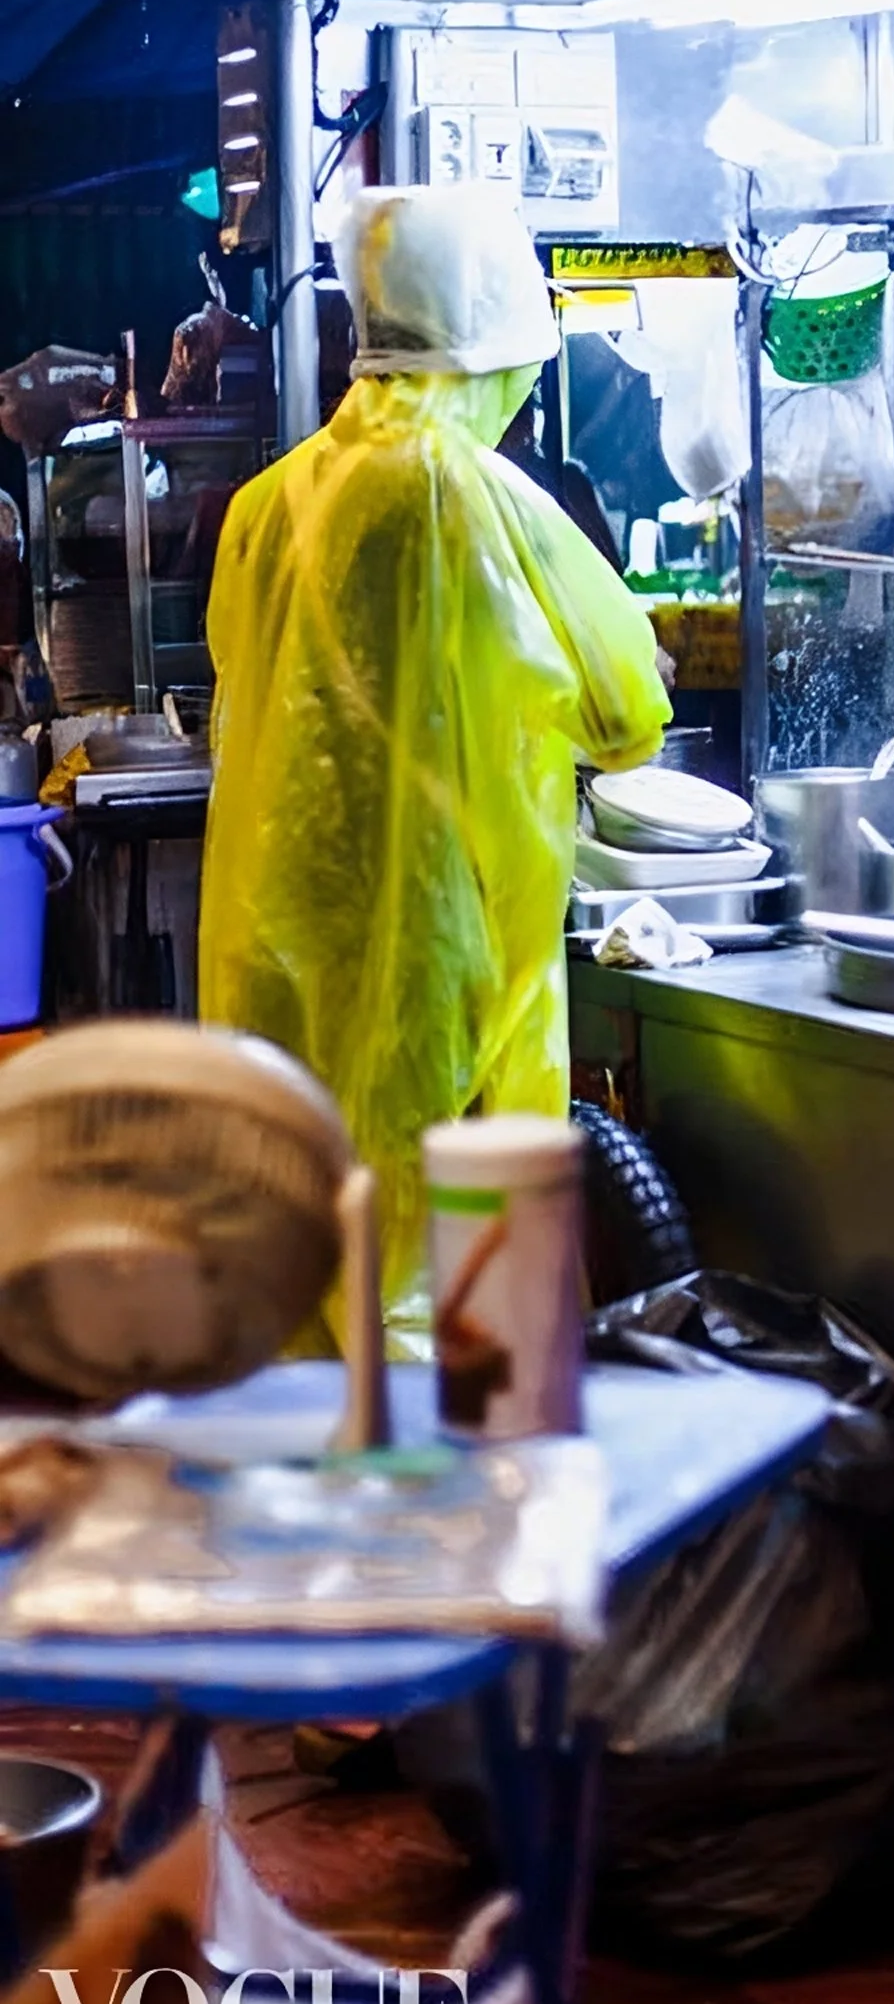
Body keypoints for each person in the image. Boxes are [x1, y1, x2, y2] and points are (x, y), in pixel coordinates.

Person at [198, 187, 670, 1348]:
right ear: (494, 351)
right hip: (441, 965)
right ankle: (450, 1523)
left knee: (304, 1294)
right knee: (453, 1328)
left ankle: (315, 1525)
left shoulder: (265, 506)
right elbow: (627, 711)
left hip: (271, 967)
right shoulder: (477, 496)